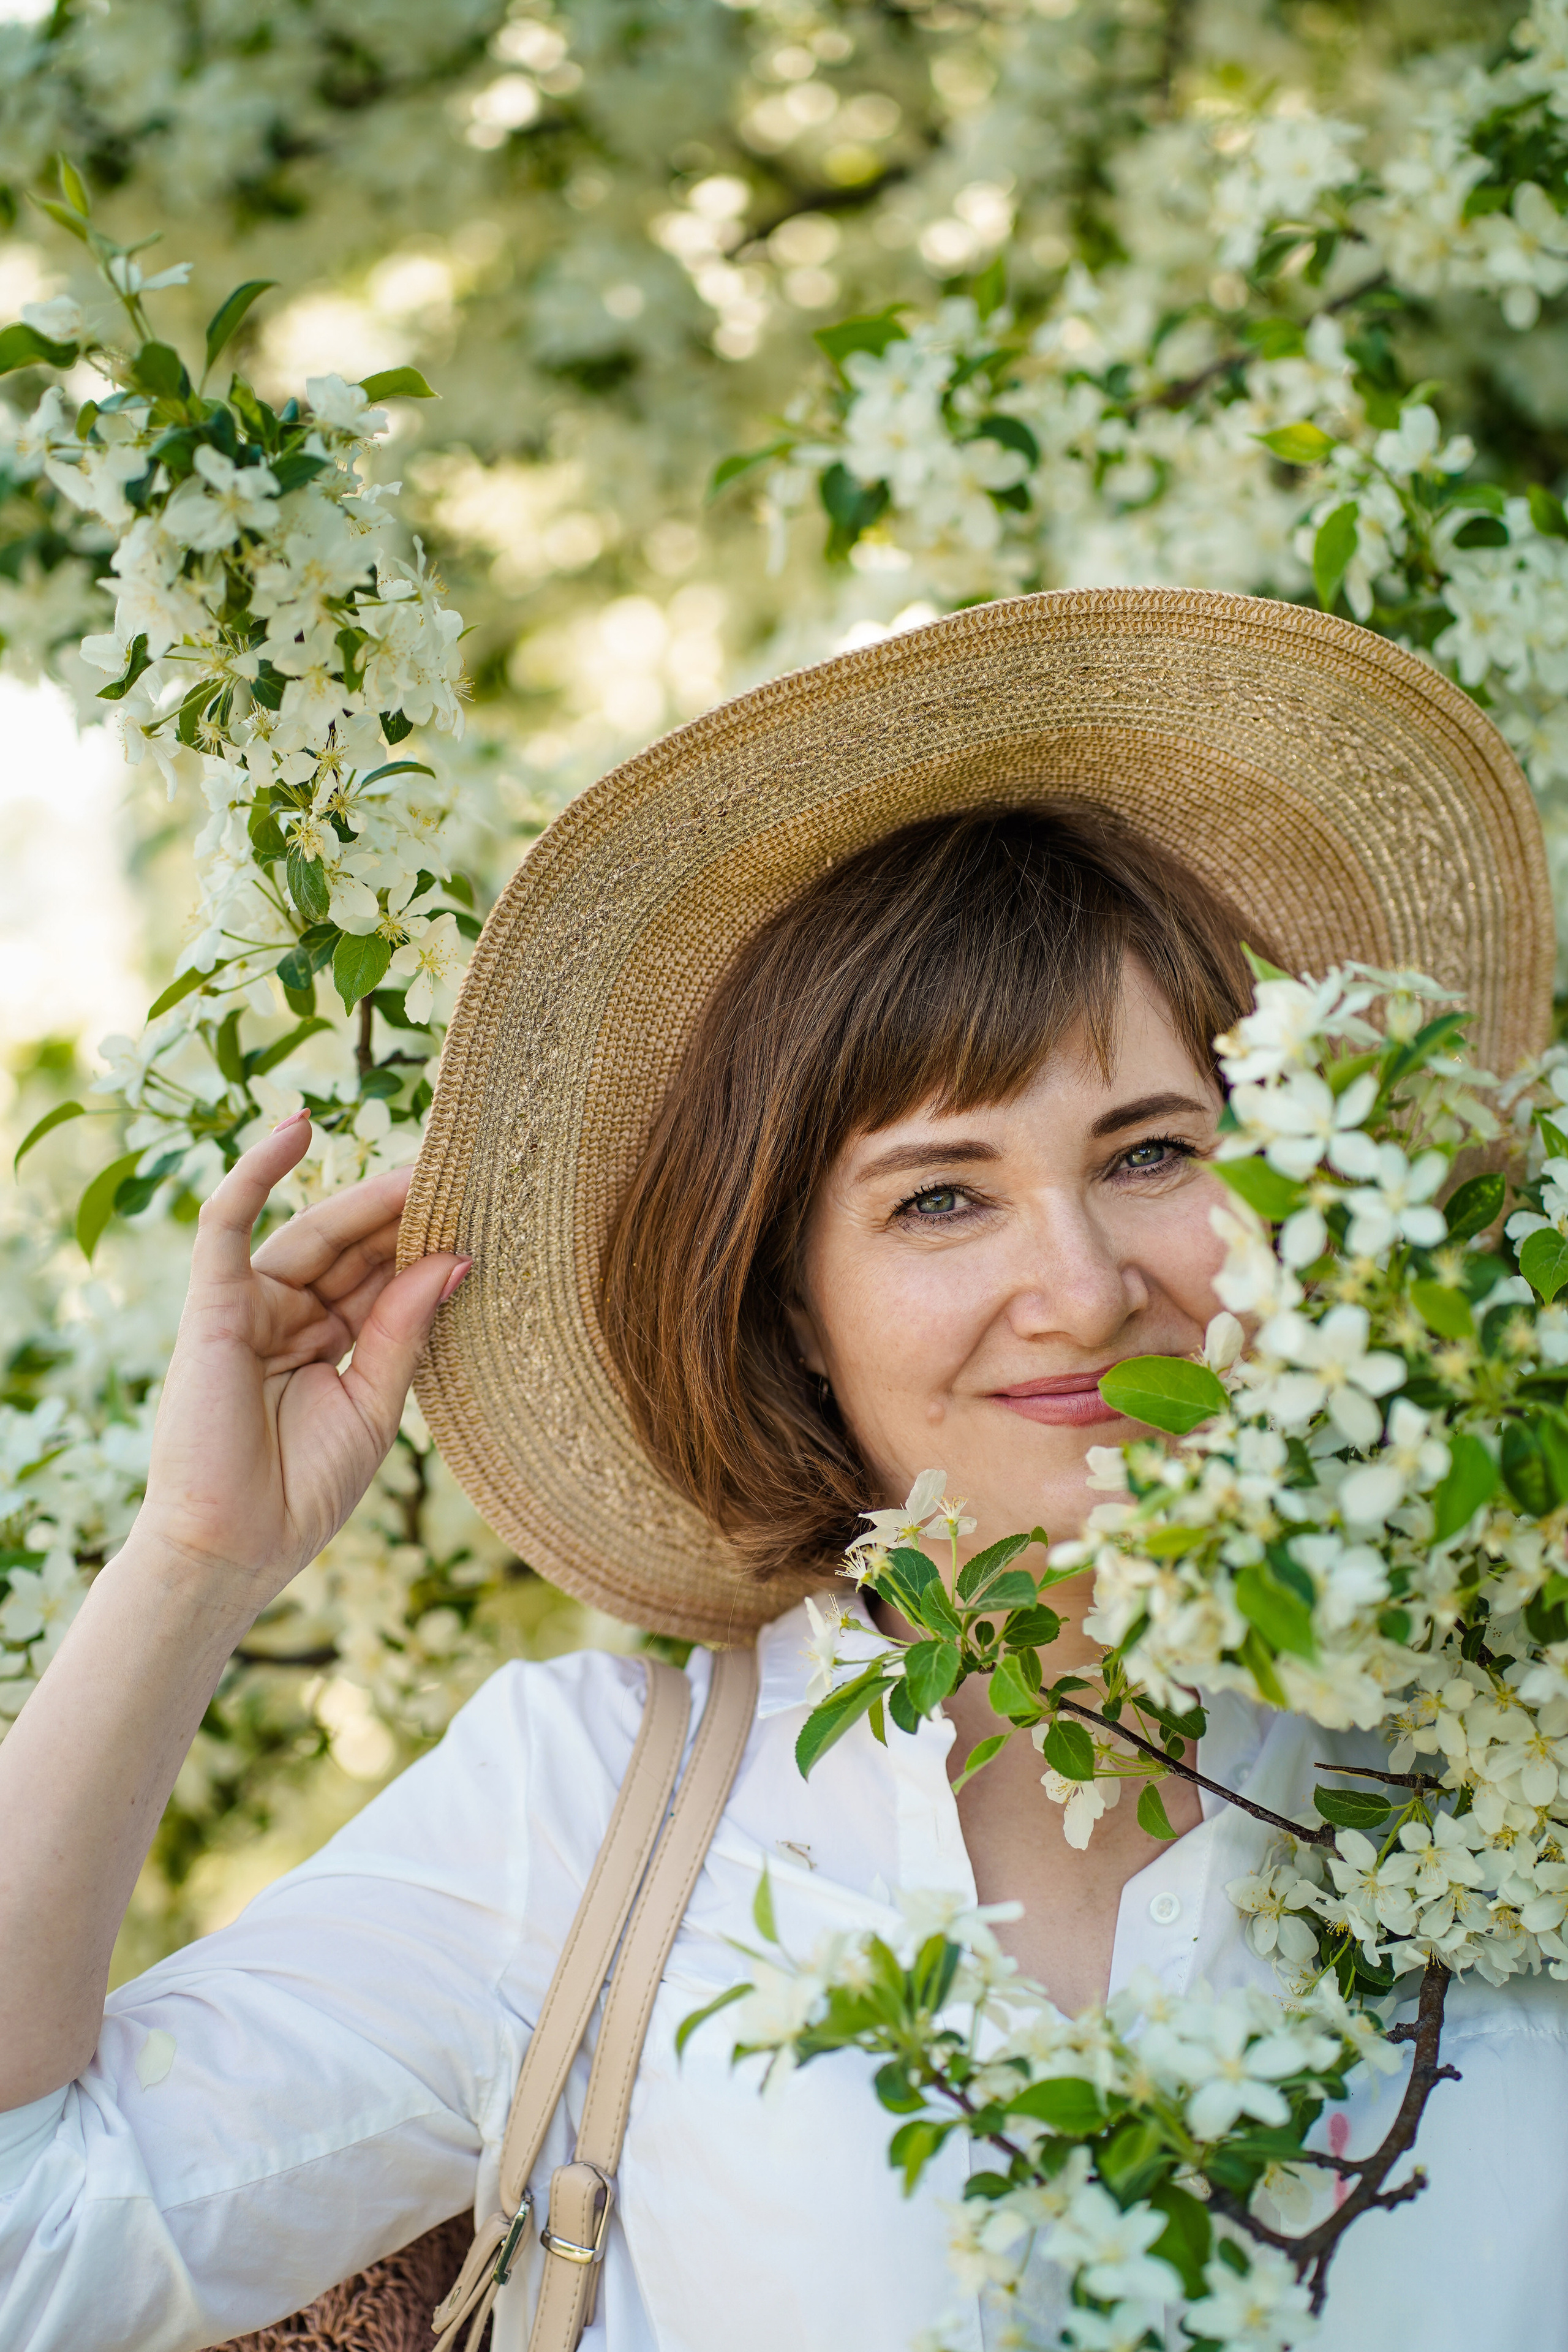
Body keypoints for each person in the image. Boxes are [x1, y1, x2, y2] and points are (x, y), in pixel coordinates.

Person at [1, 587, 1562, 2352]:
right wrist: (196, 1556)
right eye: (942, 1197)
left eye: (1151, 1152)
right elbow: (30, 2240)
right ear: (793, 1305)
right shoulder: (593, 1816)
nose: (1084, 1285)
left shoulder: (1503, 1771)